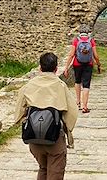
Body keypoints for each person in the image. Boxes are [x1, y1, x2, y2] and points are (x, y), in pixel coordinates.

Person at [14, 51, 79, 180]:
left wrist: (28, 122)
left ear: (40, 68)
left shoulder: (29, 85)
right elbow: (72, 112)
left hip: (34, 138)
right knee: (55, 173)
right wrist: (67, 131)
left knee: (43, 168)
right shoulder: (60, 86)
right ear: (56, 69)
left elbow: (18, 112)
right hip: (54, 138)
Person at [63, 24, 101, 114]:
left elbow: (71, 54)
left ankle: (78, 102)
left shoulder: (76, 40)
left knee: (78, 81)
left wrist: (66, 67)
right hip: (88, 64)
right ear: (88, 32)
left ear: (79, 32)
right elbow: (95, 55)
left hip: (77, 63)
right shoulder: (91, 40)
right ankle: (85, 106)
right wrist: (99, 64)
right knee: (86, 85)